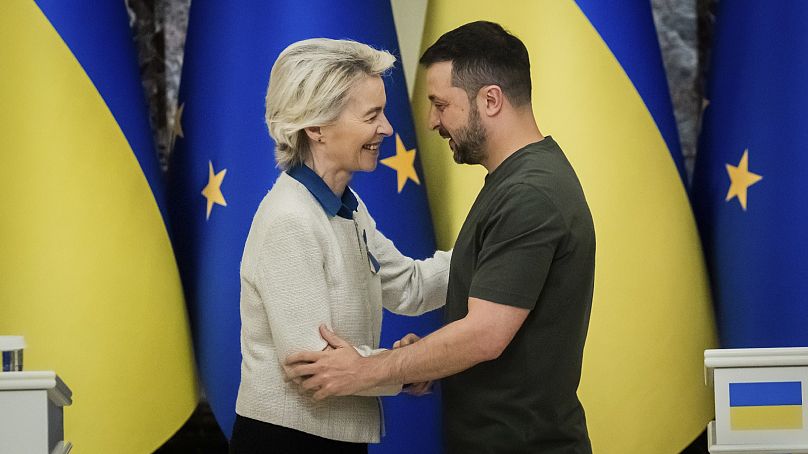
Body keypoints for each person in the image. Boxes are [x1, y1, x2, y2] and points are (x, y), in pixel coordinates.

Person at [285, 21, 596, 453]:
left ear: (490, 100)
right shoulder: (516, 181)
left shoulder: (528, 194)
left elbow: (484, 335)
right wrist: (428, 355)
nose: (431, 121)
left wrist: (366, 371)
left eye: (440, 104)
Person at [229, 38, 450, 454]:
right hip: (289, 443)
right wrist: (406, 368)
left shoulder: (345, 207)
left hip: (331, 437)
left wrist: (492, 247)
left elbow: (410, 286)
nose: (387, 128)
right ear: (315, 127)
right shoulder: (290, 219)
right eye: (372, 115)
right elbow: (316, 368)